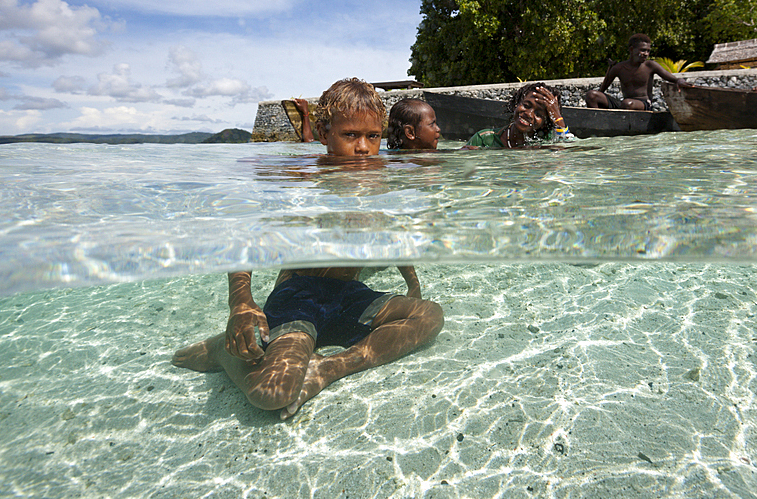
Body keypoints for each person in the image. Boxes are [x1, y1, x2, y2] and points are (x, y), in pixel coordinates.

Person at [171, 78, 444, 419]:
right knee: (272, 394)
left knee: (429, 314)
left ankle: (327, 369)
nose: (363, 148)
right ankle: (224, 353)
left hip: (349, 295)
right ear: (324, 132)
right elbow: (245, 233)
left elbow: (392, 232)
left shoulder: (381, 177)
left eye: (372, 137)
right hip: (301, 295)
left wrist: (412, 282)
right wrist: (241, 303)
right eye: (350, 135)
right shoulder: (300, 177)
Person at [585, 33, 693, 110]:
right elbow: (601, 91)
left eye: (648, 51)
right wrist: (610, 70)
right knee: (591, 95)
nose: (646, 53)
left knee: (627, 104)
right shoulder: (619, 68)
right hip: (625, 104)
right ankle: (600, 121)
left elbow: (672, 78)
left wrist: (680, 81)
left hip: (643, 104)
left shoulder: (650, 65)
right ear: (632, 50)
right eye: (643, 50)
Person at [464, 82, 571, 149]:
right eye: (526, 105)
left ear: (544, 124)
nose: (529, 114)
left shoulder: (548, 141)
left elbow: (566, 155)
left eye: (538, 114)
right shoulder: (484, 139)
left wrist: (557, 118)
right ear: (516, 104)